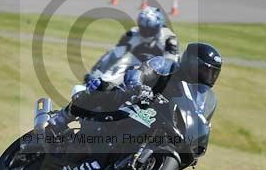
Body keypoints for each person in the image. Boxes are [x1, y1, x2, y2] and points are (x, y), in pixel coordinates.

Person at [48, 42, 221, 138]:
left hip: (159, 120)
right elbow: (139, 73)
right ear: (192, 62)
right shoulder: (166, 65)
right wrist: (140, 87)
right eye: (205, 70)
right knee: (105, 88)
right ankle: (61, 119)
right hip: (135, 102)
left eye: (213, 72)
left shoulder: (201, 94)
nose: (209, 76)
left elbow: (199, 115)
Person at [86, 7, 179, 84]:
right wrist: (96, 72)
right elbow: (114, 55)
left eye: (151, 29)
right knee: (115, 70)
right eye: (144, 28)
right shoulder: (133, 34)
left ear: (158, 26)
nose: (147, 32)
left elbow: (171, 63)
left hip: (157, 71)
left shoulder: (169, 38)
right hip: (134, 67)